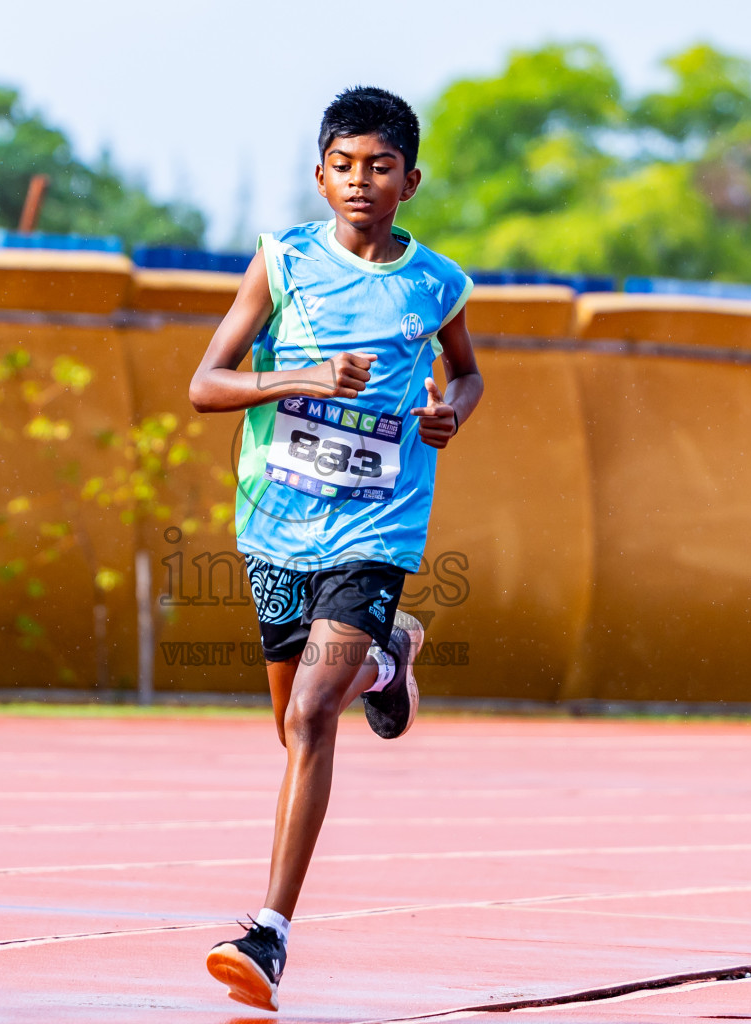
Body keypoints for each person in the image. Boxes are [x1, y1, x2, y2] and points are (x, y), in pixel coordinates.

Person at [187, 85, 484, 1012]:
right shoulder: (281, 263)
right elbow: (205, 384)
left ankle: (268, 935)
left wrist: (449, 414)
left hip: (377, 526)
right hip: (275, 521)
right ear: (320, 176)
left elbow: (468, 376)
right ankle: (391, 662)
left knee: (314, 712)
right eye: (345, 166)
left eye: (380, 167)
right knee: (291, 726)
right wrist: (304, 375)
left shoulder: (435, 283)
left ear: (411, 180)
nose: (361, 181)